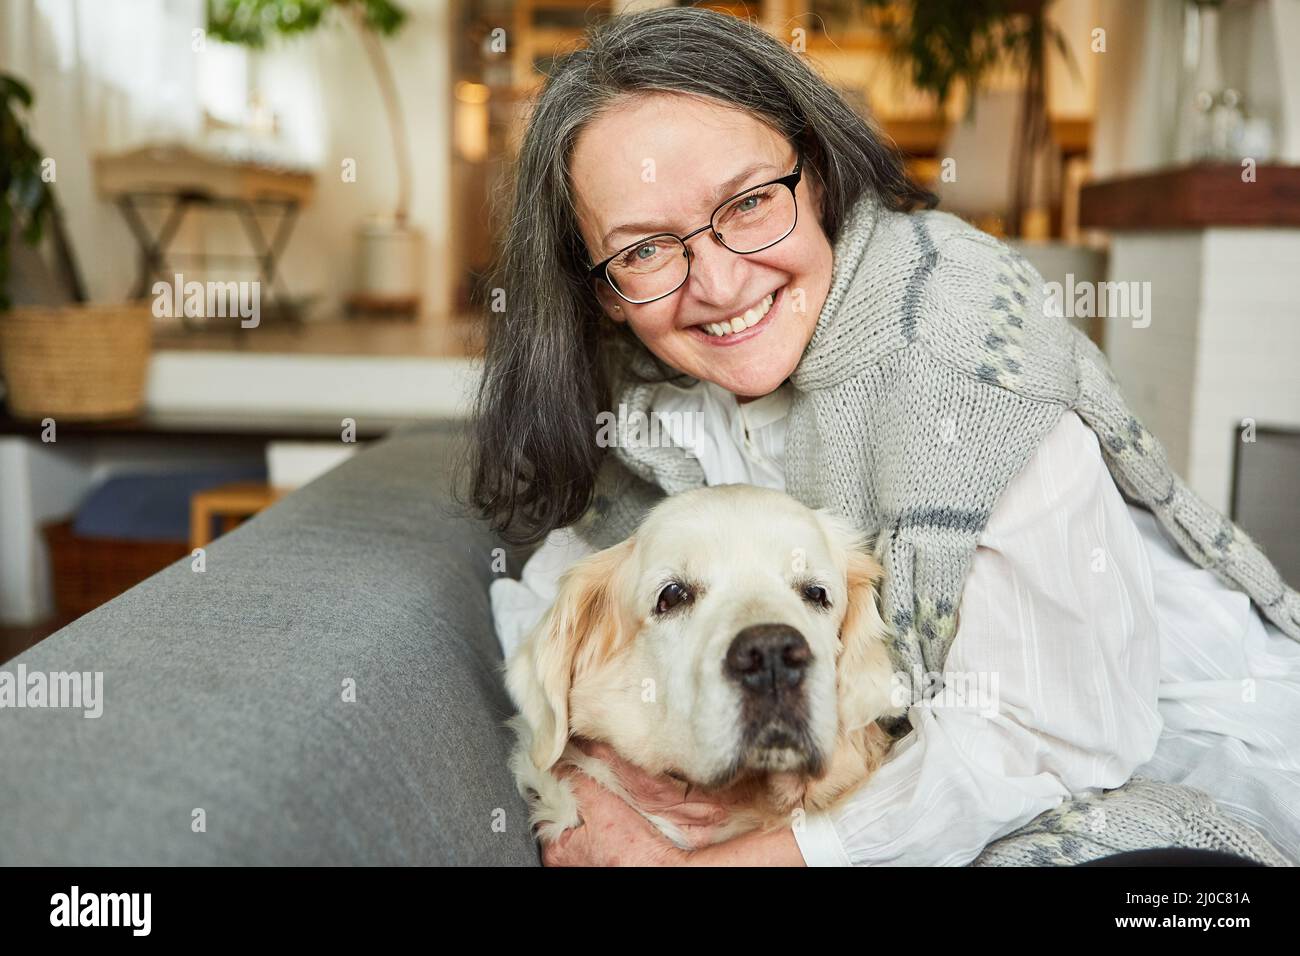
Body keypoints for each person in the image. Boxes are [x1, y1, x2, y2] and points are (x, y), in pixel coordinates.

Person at [468, 6, 1300, 866]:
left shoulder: (966, 358)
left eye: (749, 203)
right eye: (643, 250)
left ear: (818, 178)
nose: (715, 283)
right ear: (601, 289)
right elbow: (549, 600)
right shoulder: (651, 402)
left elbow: (1052, 736)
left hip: (1197, 751)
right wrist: (587, 798)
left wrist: (712, 863)